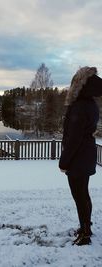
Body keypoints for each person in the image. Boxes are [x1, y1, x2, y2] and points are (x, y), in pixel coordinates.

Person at [59, 66, 102, 246]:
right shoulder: (91, 104)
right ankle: (86, 227)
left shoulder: (78, 106)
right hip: (86, 154)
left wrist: (64, 161)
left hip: (78, 158)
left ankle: (85, 234)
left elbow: (74, 139)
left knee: (80, 196)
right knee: (83, 194)